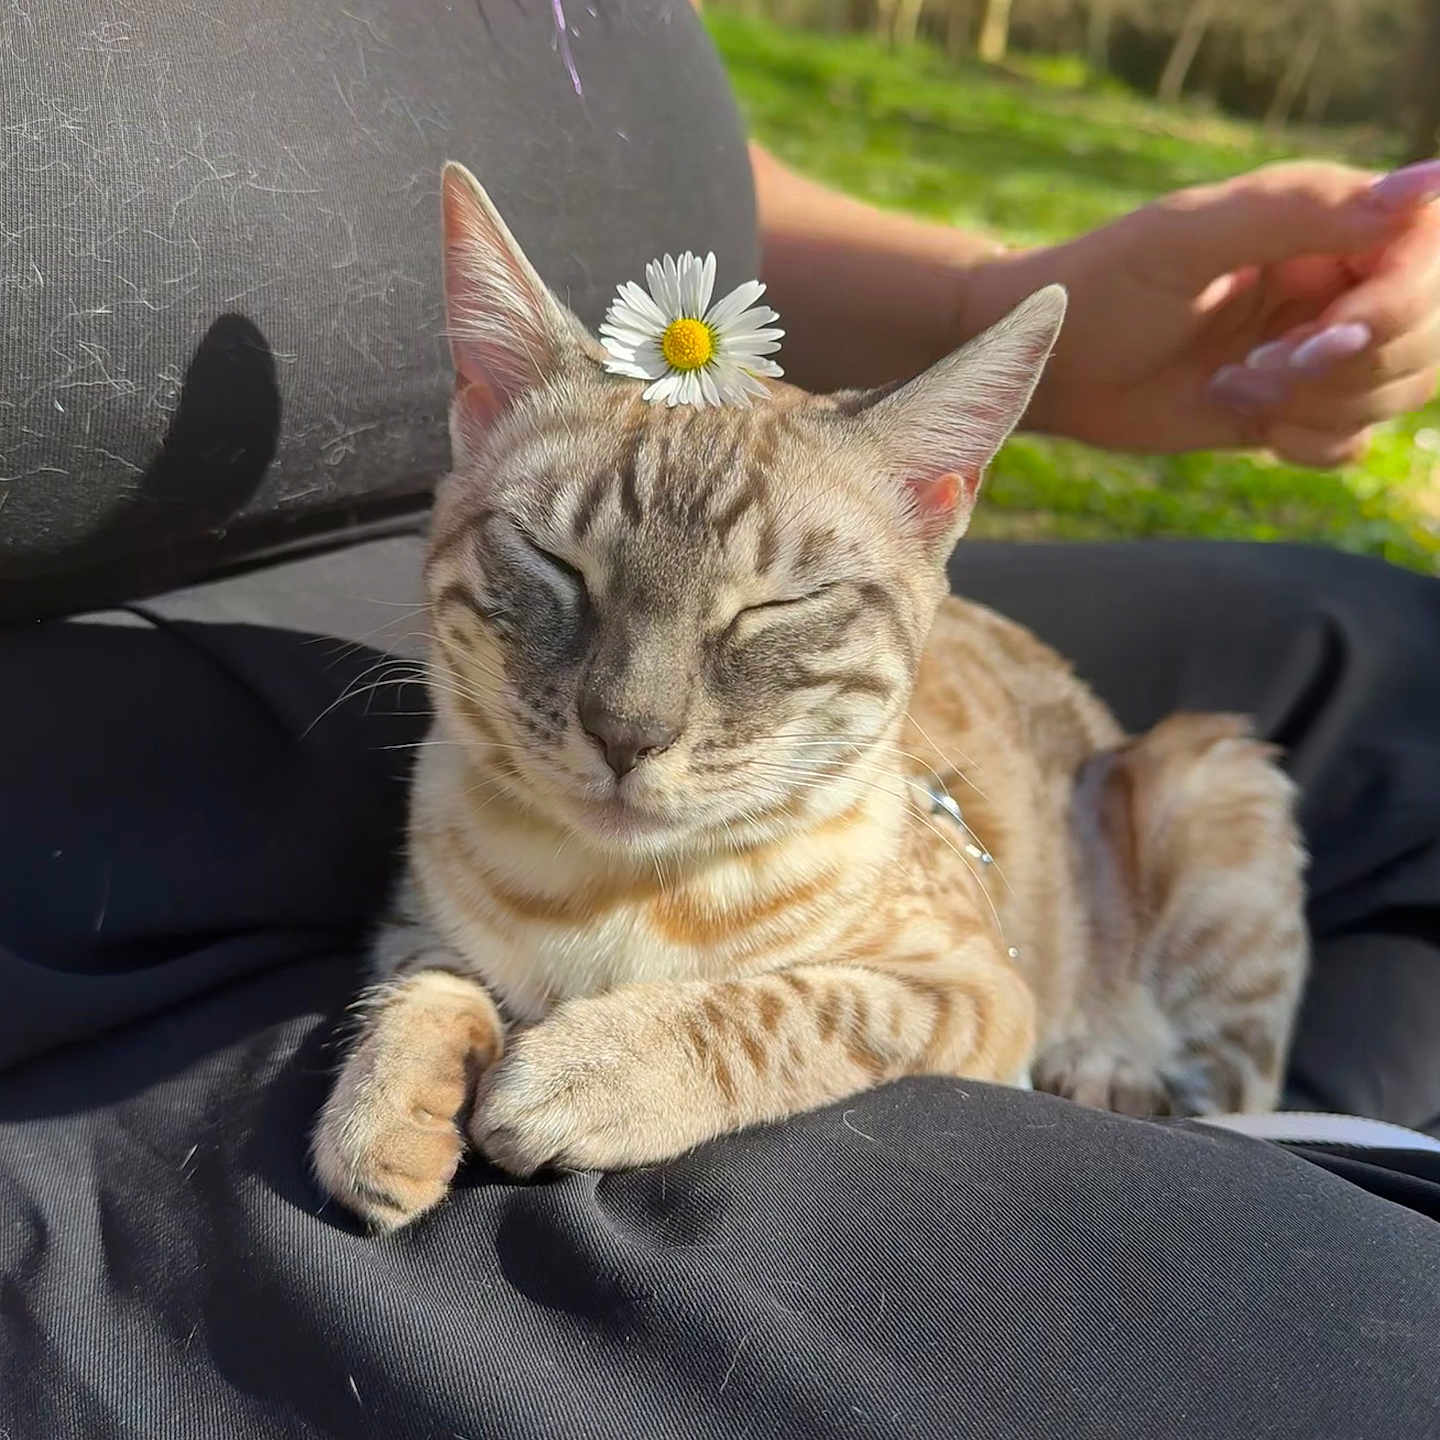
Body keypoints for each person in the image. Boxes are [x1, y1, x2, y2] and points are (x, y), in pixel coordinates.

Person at [1, 3, 1437, 1436]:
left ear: (939, 503)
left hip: (1032, 834)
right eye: (552, 578)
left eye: (771, 621)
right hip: (143, 714)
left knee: (1349, 683)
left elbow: (967, 991)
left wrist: (968, 303)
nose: (634, 719)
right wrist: (443, 996)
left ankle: (1236, 1111)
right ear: (477, 415)